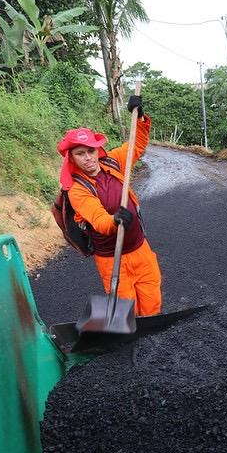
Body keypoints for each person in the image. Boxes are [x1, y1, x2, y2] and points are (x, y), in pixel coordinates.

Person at [56, 95, 162, 316]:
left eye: (91, 151)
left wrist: (140, 118)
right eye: (80, 153)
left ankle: (152, 341)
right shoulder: (76, 189)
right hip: (112, 260)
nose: (88, 158)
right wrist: (114, 220)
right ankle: (130, 345)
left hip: (139, 249)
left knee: (152, 304)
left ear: (97, 150)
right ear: (71, 158)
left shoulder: (113, 161)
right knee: (127, 312)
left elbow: (137, 145)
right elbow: (98, 220)